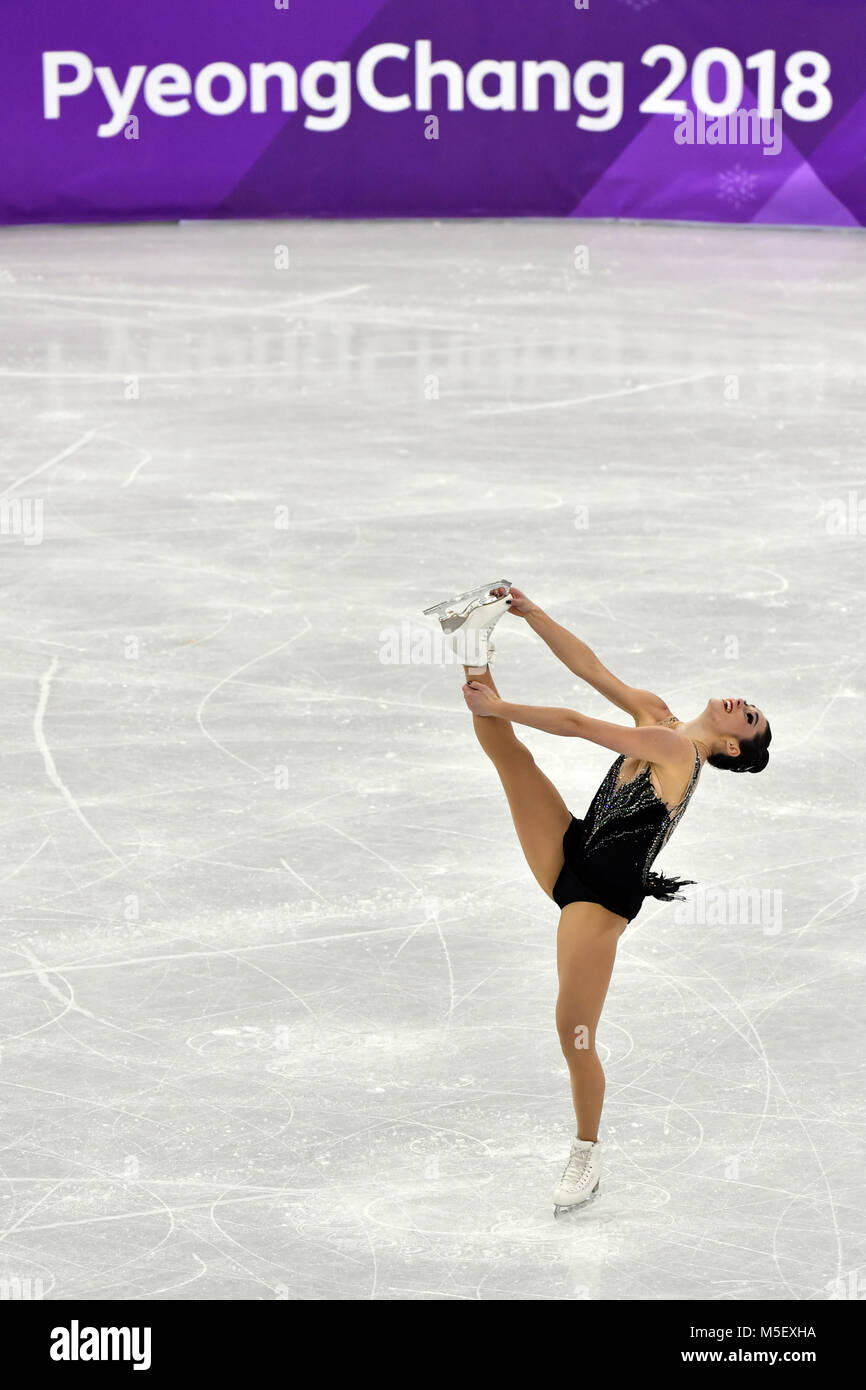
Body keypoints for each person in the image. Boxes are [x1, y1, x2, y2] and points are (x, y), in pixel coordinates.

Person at [425, 581, 771, 1214]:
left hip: (600, 899)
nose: (743, 706)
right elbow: (590, 669)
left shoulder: (677, 751)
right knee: (508, 755)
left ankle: (586, 1152)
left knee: (574, 1030)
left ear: (729, 747)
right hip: (571, 849)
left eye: (748, 721)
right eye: (749, 707)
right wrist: (531, 613)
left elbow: (579, 726)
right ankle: (475, 643)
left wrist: (500, 707)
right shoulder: (658, 715)